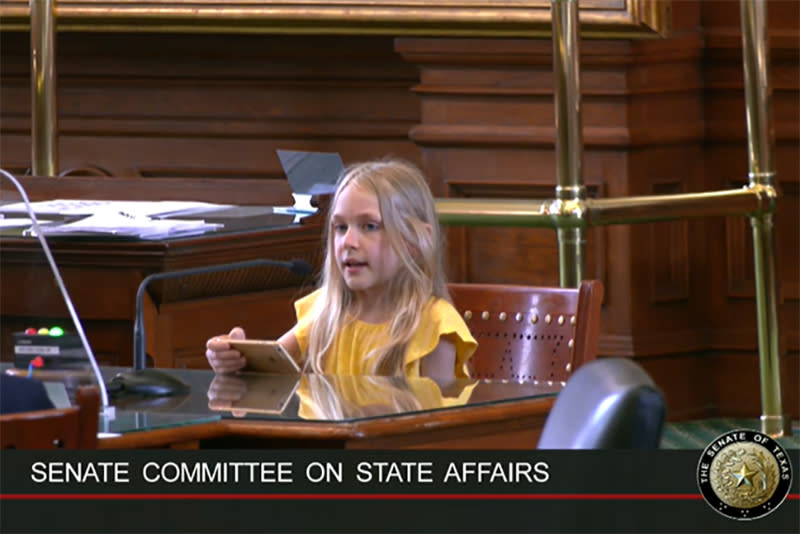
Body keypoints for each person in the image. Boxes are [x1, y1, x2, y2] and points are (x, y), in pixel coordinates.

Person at [206, 158, 477, 382]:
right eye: (340, 227)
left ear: (415, 242)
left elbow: (441, 430)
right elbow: (265, 371)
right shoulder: (325, 312)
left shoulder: (436, 326)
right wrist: (233, 357)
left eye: (369, 226)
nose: (348, 242)